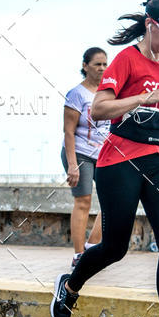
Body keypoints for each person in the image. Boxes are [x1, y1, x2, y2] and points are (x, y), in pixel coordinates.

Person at [51, 0, 159, 317]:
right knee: (115, 247)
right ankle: (70, 287)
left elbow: (151, 113)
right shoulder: (125, 60)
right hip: (118, 161)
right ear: (150, 26)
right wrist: (143, 99)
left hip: (157, 156)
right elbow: (100, 110)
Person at [61, 47, 110, 268]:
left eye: (104, 64)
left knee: (113, 202)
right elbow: (68, 131)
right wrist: (72, 165)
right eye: (97, 64)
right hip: (79, 152)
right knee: (83, 201)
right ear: (85, 66)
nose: (101, 68)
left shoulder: (109, 94)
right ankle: (79, 255)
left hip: (105, 155)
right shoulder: (77, 94)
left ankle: (92, 248)